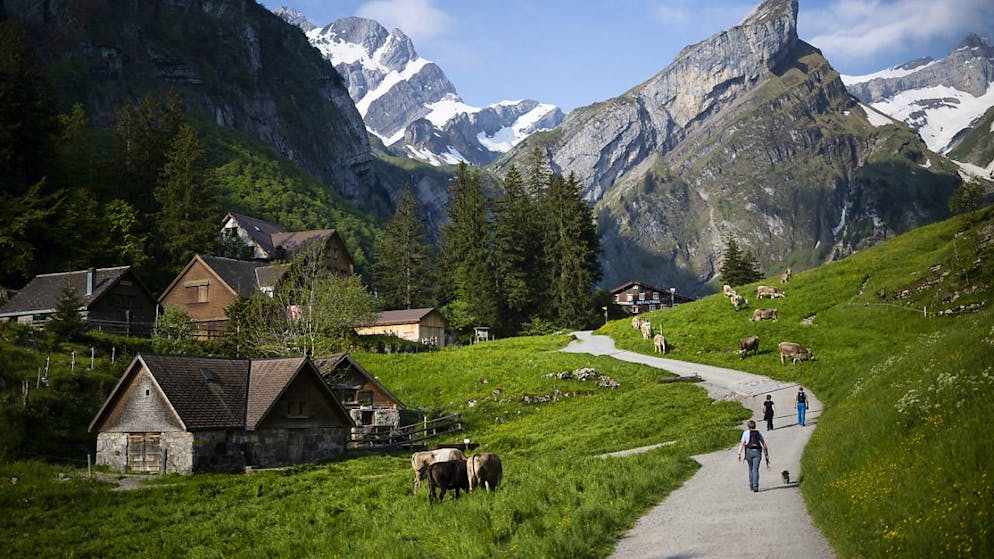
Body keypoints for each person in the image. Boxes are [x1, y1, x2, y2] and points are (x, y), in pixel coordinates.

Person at [736, 420, 769, 492]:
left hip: (749, 452)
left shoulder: (745, 433)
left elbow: (742, 444)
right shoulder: (758, 433)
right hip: (757, 452)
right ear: (755, 426)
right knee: (755, 470)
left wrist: (739, 454)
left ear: (748, 426)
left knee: (750, 469)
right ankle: (755, 486)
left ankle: (751, 485)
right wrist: (766, 454)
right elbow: (763, 443)